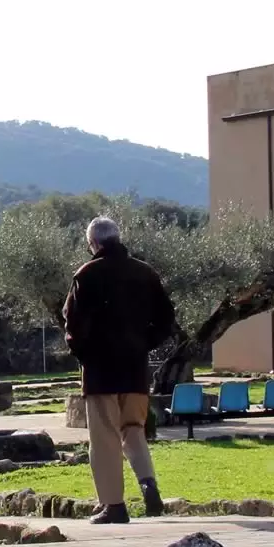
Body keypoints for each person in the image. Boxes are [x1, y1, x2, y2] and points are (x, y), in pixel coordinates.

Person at [62, 215, 177, 524]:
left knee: (105, 439)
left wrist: (84, 355)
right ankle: (148, 484)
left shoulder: (86, 274)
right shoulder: (145, 273)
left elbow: (73, 324)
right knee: (134, 430)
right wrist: (143, 344)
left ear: (94, 243)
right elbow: (167, 319)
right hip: (135, 369)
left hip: (101, 372)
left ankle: (113, 505)